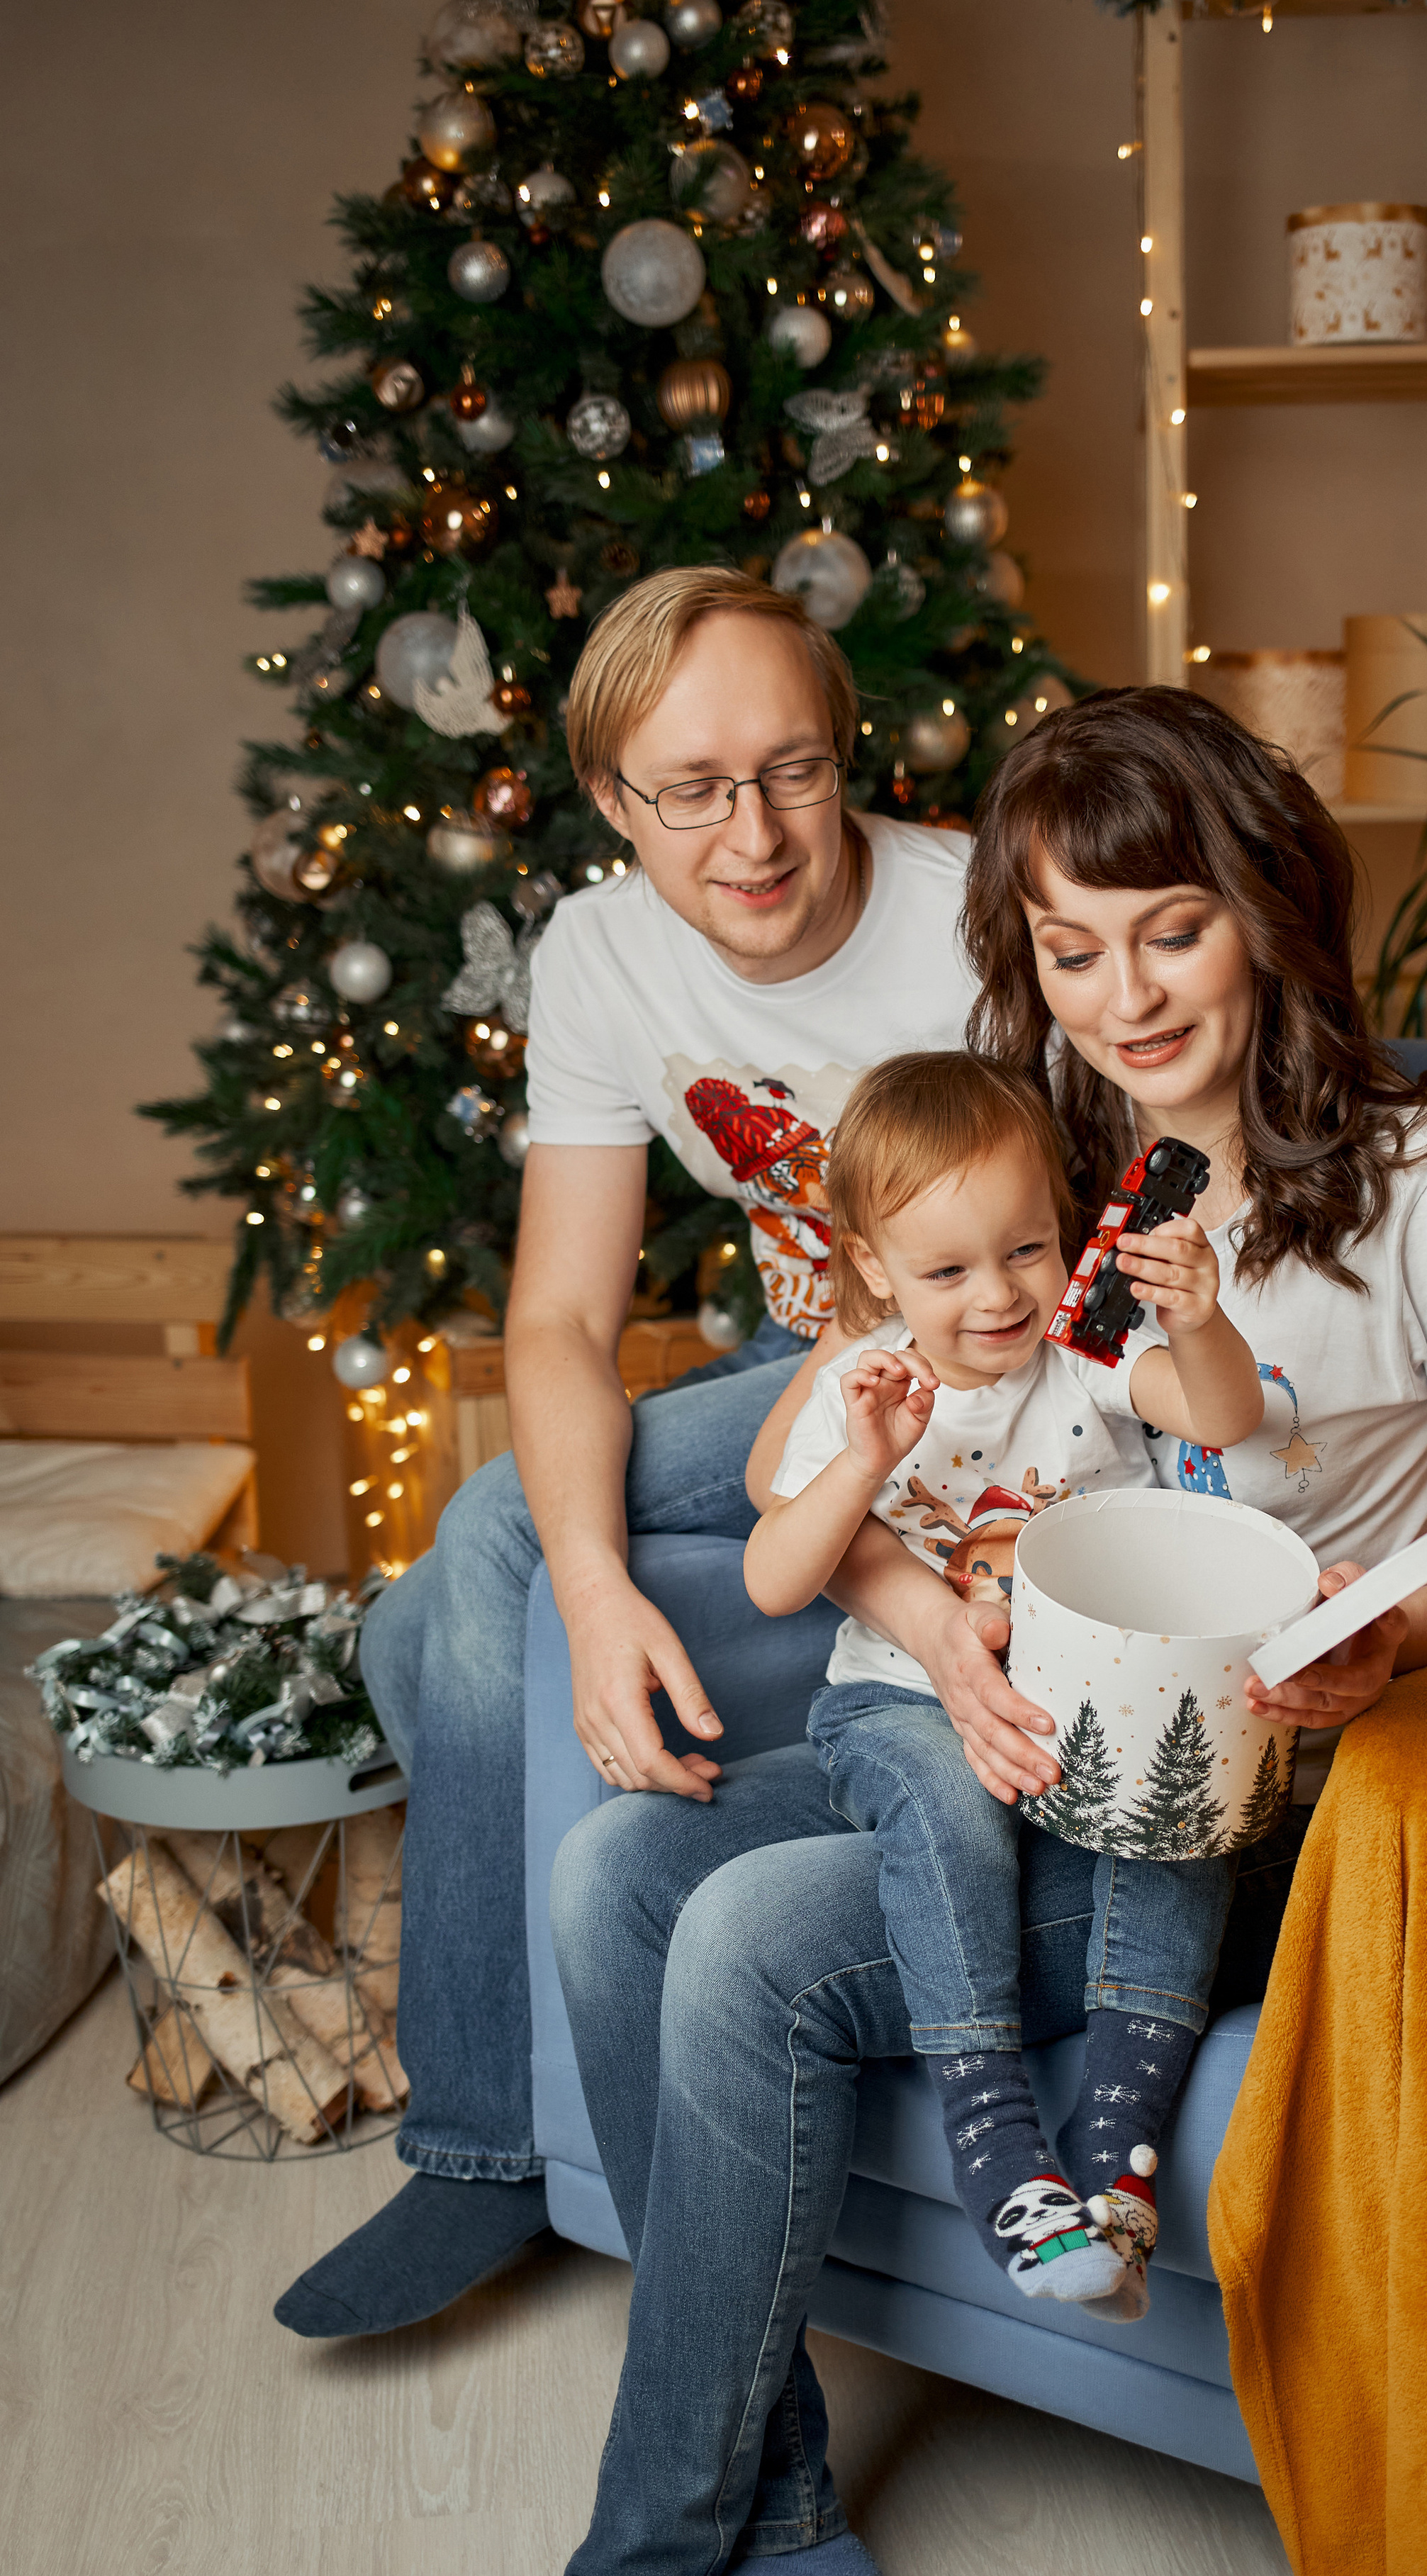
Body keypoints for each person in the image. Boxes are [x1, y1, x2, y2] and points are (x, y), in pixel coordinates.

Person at [507, 688, 1427, 2576]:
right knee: (615, 1872)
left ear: (1271, 910)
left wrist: (1407, 1641)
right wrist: (929, 1622)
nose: (1123, 992)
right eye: (1069, 946)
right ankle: (777, 2534)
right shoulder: (1060, 1179)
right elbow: (907, 1452)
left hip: (1224, 1789)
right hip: (995, 1728)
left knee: (759, 1946)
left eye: (1171, 926)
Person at [275, 567, 975, 2339]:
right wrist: (594, 1588)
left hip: (978, 1358)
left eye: (792, 772)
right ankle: (514, 2146)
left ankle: (483, 2154)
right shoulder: (598, 952)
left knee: (482, 1544)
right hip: (794, 1358)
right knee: (456, 1592)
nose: (750, 834)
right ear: (612, 802)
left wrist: (563, 1553)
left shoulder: (973, 920)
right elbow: (563, 1323)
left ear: (842, 760)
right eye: (690, 788)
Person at [748, 1047, 1263, 2321]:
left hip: (1084, 1712)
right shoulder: (858, 1386)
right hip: (901, 1707)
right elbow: (773, 1577)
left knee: (1178, 1815)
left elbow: (1225, 1419)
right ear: (869, 1266)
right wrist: (862, 1460)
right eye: (945, 1270)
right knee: (943, 1803)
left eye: (1027, 1251)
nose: (997, 1296)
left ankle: (1116, 2163)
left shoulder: (1085, 1358)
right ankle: (999, 2150)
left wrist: (1198, 1319)